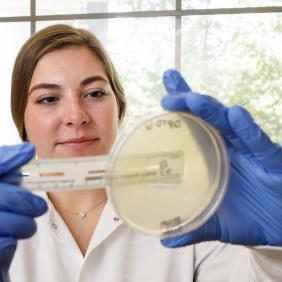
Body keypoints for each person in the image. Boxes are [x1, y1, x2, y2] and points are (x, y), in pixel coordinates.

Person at [0, 24, 281, 282]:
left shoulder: (188, 209)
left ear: (118, 108)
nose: (76, 116)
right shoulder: (5, 218)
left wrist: (275, 244)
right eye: (48, 99)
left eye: (95, 93)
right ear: (22, 120)